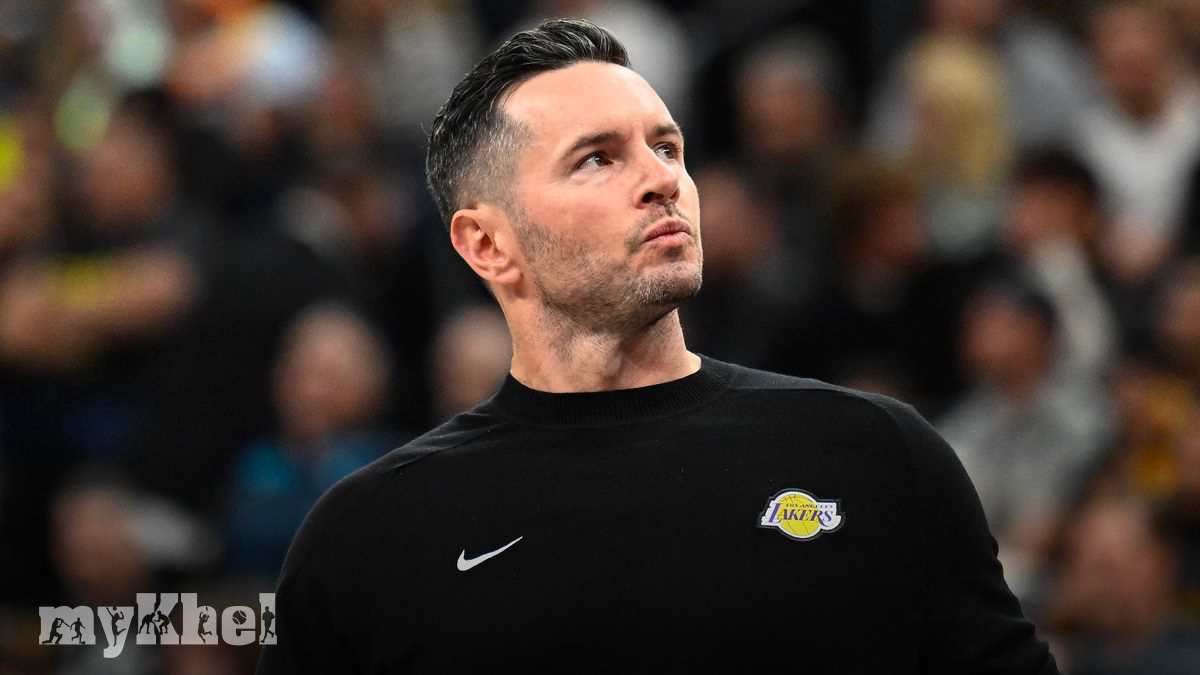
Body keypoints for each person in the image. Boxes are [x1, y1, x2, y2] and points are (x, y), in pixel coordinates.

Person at [258, 19, 1059, 672]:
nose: (662, 179)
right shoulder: (370, 536)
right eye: (597, 158)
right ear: (488, 244)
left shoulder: (877, 454)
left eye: (667, 147)